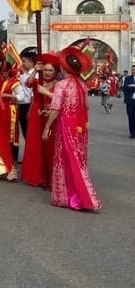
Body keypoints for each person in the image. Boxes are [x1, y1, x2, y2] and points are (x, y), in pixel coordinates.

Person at [41, 46, 101, 211]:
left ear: (63, 67)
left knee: (64, 158)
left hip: (66, 127)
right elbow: (83, 107)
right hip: (80, 127)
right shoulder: (82, 85)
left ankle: (69, 196)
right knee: (78, 159)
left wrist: (46, 128)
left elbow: (56, 108)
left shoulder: (62, 84)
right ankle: (79, 195)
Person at [20, 53, 59, 188]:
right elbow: (28, 83)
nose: (47, 73)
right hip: (36, 115)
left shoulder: (59, 84)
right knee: (35, 145)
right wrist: (36, 69)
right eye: (46, 70)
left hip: (51, 115)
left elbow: (62, 100)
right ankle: (36, 176)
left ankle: (50, 177)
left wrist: (46, 93)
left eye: (50, 70)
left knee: (49, 146)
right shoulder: (38, 80)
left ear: (56, 71)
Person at [123, 65, 135, 138]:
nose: (133, 71)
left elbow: (130, 87)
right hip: (130, 101)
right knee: (131, 116)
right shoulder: (127, 79)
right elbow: (126, 88)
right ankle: (132, 133)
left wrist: (132, 86)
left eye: (134, 69)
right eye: (132, 69)